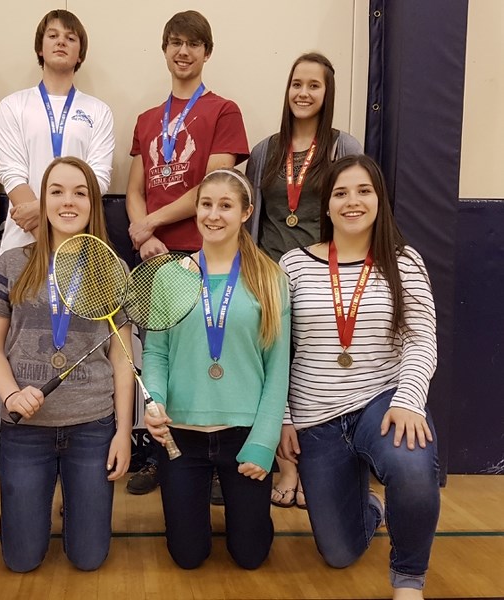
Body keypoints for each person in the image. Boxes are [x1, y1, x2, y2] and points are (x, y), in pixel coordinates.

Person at [278, 155, 439, 599]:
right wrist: (285, 417)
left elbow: (421, 339)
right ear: (325, 206)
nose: (352, 202)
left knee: (412, 463)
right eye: (340, 193)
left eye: (363, 191)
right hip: (315, 416)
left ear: (379, 199)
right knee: (338, 552)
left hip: (380, 401)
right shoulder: (293, 265)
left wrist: (409, 400)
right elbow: (275, 351)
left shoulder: (403, 261)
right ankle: (369, 506)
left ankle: (408, 580)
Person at [0, 156, 133, 572]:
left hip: (92, 427)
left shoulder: (112, 268)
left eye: (80, 193)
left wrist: (122, 431)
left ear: (93, 203)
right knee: (21, 560)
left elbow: (122, 355)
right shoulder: (11, 263)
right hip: (25, 427)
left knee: (88, 559)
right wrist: (11, 393)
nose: (69, 201)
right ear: (42, 200)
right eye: (57, 191)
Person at [126, 10, 249, 498]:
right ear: (165, 50)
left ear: (206, 52)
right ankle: (164, 456)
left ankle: (215, 460)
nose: (183, 51)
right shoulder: (146, 119)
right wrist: (143, 235)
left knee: (207, 358)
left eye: (193, 44)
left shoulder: (223, 111)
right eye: (175, 43)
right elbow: (135, 187)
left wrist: (151, 222)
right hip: (155, 257)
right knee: (161, 363)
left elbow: (212, 185)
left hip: (205, 256)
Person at [142, 169, 290, 570]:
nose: (214, 214)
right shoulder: (169, 276)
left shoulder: (271, 278)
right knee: (187, 557)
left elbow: (278, 369)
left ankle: (253, 523)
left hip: (244, 435)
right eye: (206, 204)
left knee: (250, 557)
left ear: (246, 213)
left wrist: (264, 443)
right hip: (181, 437)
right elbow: (156, 354)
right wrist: (154, 400)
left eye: (226, 205)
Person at [245, 52, 362, 509]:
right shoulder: (264, 151)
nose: (304, 93)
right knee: (271, 372)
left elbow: (357, 209)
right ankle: (285, 465)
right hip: (270, 280)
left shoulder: (343, 148)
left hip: (324, 279)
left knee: (312, 371)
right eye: (297, 83)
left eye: (314, 85)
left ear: (327, 93)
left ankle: (320, 464)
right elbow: (253, 219)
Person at [0, 9, 114, 255]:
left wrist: (41, 212)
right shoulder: (12, 105)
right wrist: (46, 236)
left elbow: (97, 178)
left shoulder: (98, 111)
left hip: (78, 242)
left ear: (80, 54)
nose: (61, 41)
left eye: (70, 38)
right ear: (40, 48)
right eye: (53, 35)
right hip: (23, 239)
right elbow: (12, 174)